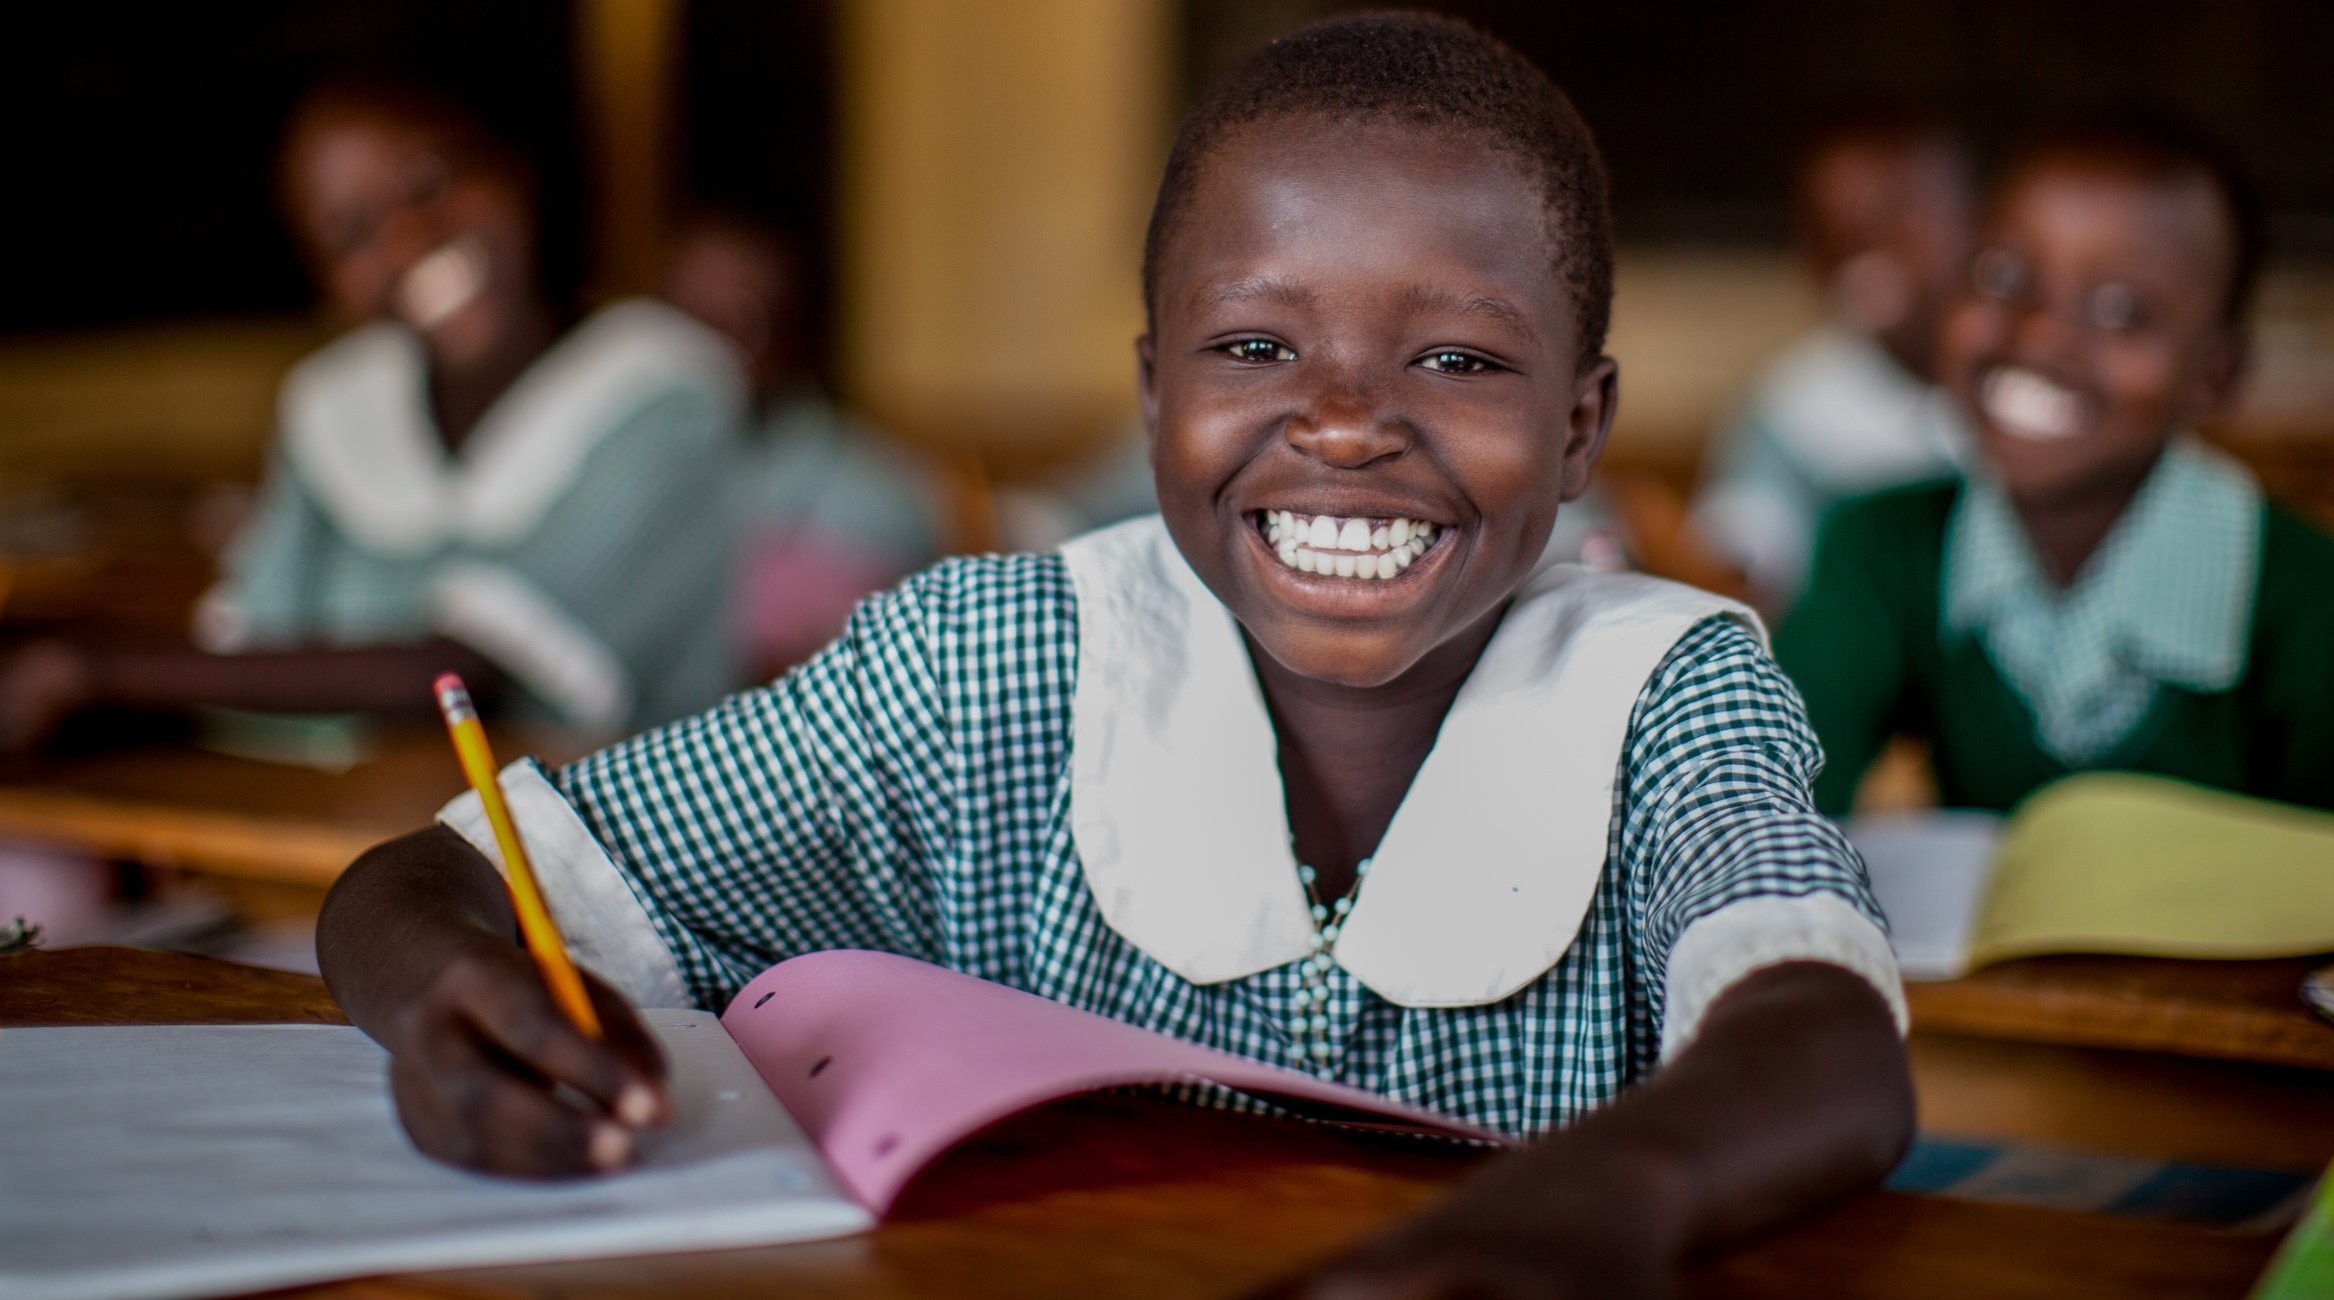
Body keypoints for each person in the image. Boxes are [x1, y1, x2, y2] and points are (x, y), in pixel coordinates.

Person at [317, 16, 1911, 1296]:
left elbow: (1819, 1035)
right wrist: (457, 996)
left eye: (1457, 357)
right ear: (1154, 397)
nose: (1348, 420)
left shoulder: (1663, 689)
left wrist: (1590, 1212)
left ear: (1579, 428)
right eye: (1254, 346)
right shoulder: (981, 666)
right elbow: (430, 881)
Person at [0, 79, 745, 751]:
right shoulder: (332, 404)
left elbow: (461, 676)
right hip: (347, 848)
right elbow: (249, 652)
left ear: (515, 169)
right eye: (351, 232)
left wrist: (89, 666)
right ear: (326, 284)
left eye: (430, 182)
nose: (407, 240)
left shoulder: (664, 391)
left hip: (612, 879)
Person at [1776, 118, 2334, 827]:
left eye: (2123, 311)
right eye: (2002, 276)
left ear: (2216, 376)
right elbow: (1767, 804)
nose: (2038, 335)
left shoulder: (2319, 600)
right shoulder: (1883, 546)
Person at [1691, 114, 1976, 609]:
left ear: (1971, 223)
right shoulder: (1789, 408)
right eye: (1836, 234)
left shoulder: (2022, 386)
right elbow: (1743, 571)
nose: (1865, 257)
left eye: (1898, 223)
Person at [659, 211, 946, 680]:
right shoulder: (632, 466)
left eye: (740, 322)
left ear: (800, 336)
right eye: (682, 320)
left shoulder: (875, 504)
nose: (700, 350)